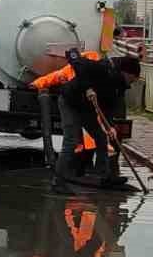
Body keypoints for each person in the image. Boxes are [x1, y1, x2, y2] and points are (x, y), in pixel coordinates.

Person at [56, 53, 141, 188]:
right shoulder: (104, 67)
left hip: (86, 107)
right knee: (71, 141)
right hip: (70, 102)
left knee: (101, 137)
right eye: (134, 78)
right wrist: (88, 88)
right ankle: (59, 182)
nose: (134, 81)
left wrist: (110, 127)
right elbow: (74, 59)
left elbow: (109, 107)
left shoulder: (120, 86)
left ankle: (103, 175)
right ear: (127, 73)